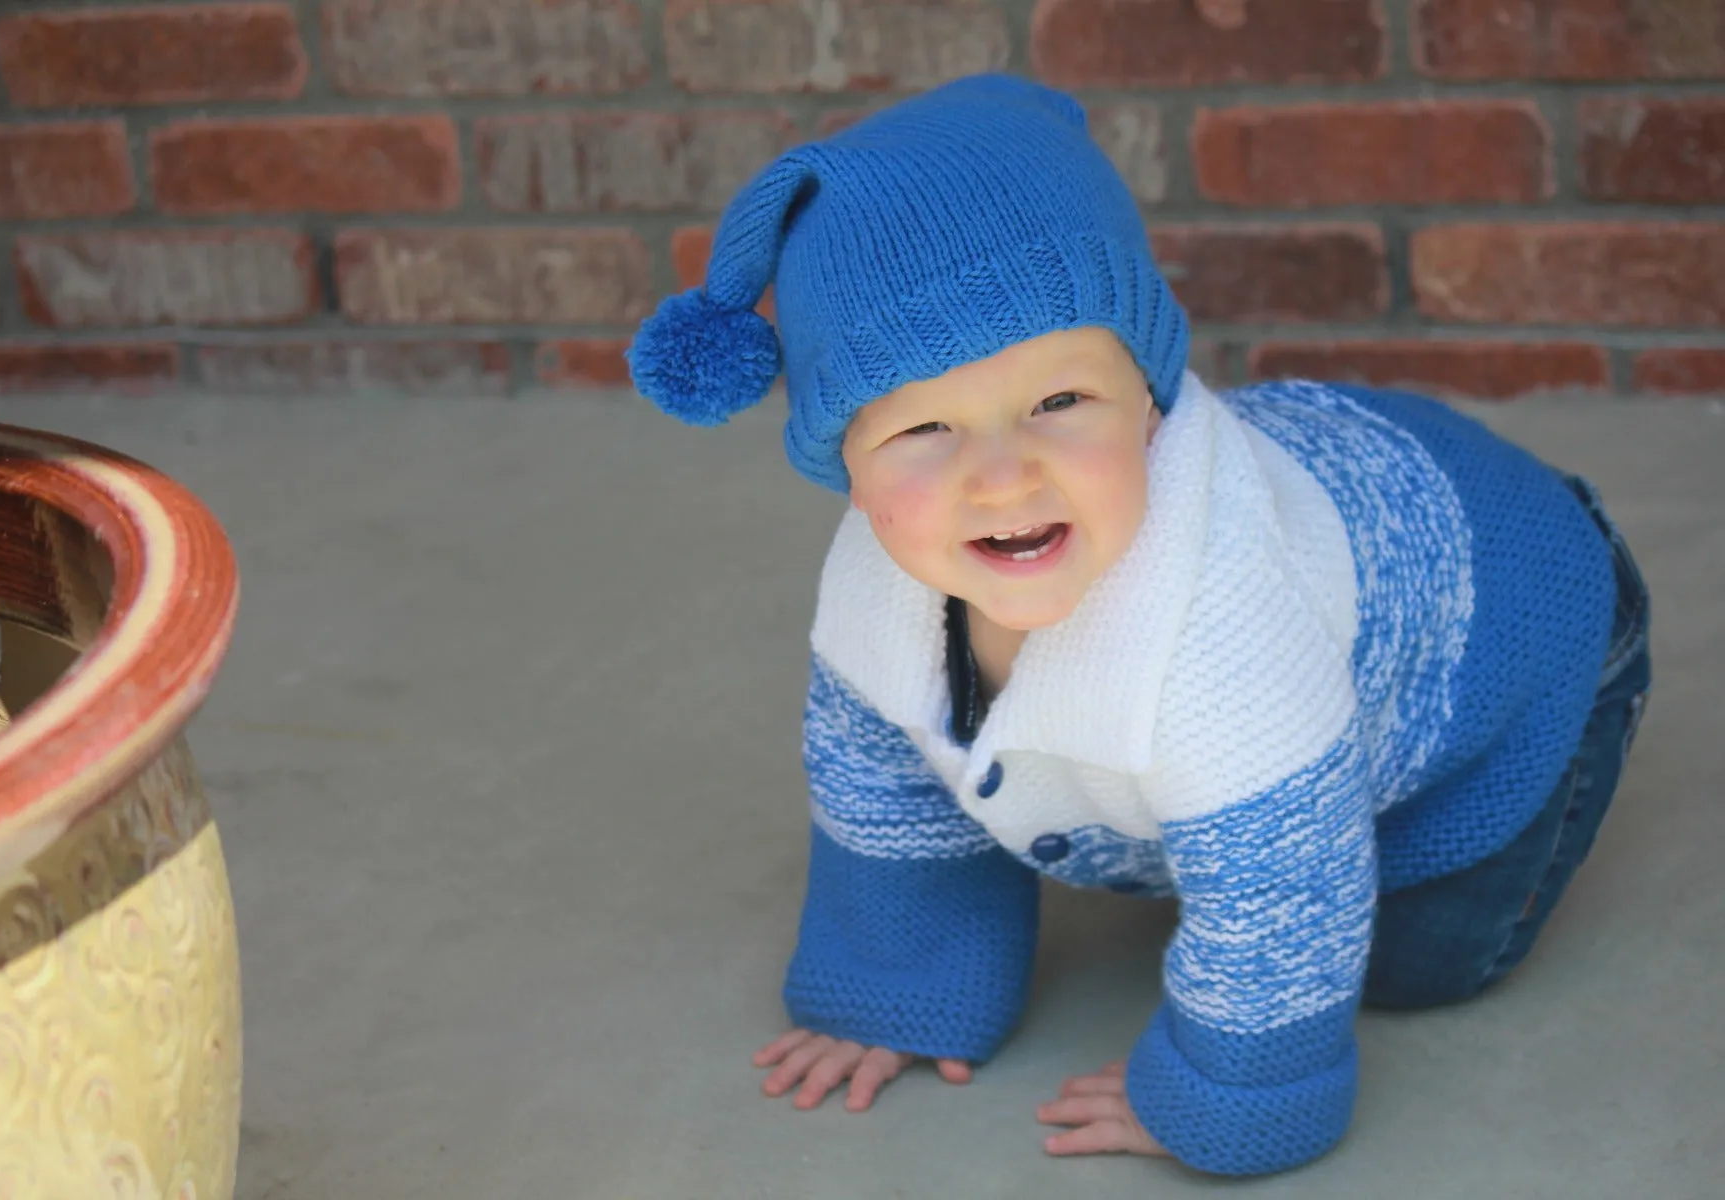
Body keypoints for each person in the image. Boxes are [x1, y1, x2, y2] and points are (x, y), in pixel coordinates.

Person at [623, 72, 1652, 1176]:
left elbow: (1284, 904)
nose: (1002, 477)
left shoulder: (1226, 639)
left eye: (1061, 403)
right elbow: (885, 788)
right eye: (924, 428)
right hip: (1339, 538)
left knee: (1409, 960)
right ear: (849, 468)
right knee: (1219, 827)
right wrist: (897, 986)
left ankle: (1453, 803)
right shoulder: (876, 598)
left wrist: (1223, 1096)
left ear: (1151, 404)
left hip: (1515, 623)